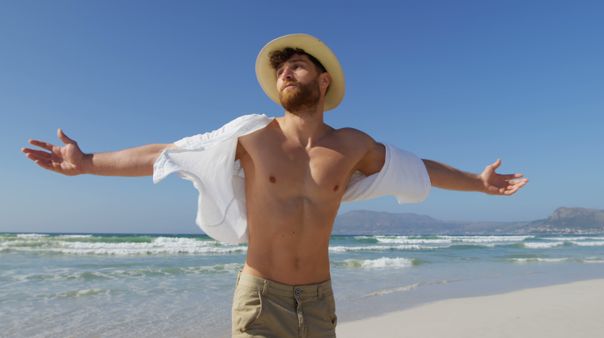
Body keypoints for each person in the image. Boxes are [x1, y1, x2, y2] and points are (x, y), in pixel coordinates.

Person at [21, 34, 528, 338]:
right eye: (280, 68)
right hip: (261, 298)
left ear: (323, 81)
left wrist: (479, 184)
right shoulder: (251, 136)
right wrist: (87, 162)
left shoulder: (353, 145)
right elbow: (166, 153)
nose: (285, 72)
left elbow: (417, 169)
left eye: (297, 65)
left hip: (320, 300)